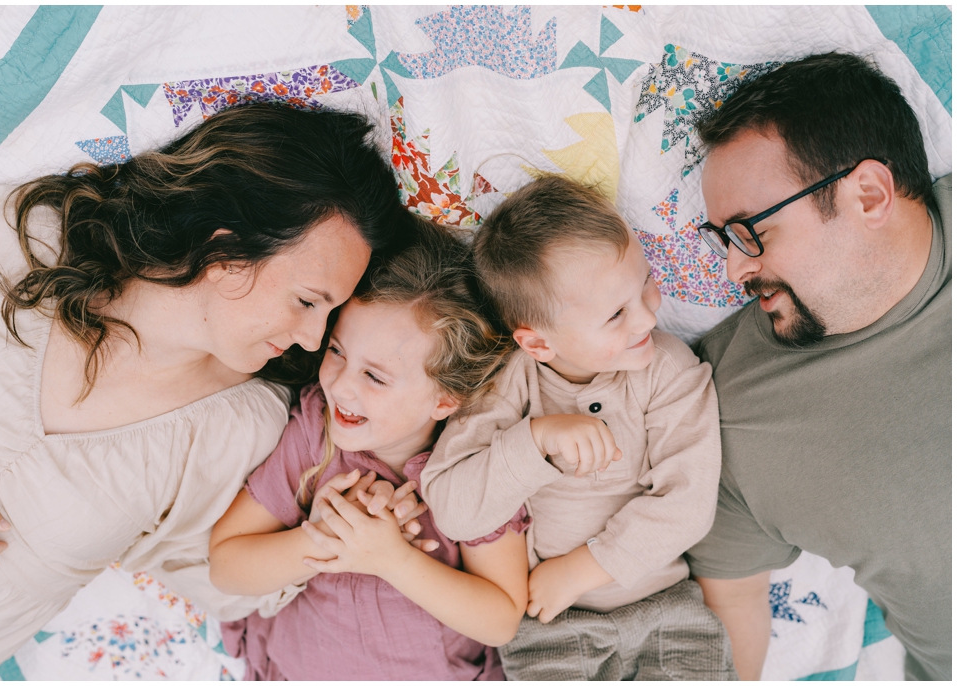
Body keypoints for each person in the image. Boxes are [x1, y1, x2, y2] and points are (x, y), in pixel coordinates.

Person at [0, 101, 416, 680]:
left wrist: (337, 533)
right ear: (226, 247)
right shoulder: (42, 243)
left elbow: (216, 575)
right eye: (308, 300)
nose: (314, 337)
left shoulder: (240, 424)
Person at [683, 52, 951, 681]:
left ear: (867, 194)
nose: (733, 269)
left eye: (749, 231)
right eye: (723, 239)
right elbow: (733, 616)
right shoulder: (728, 401)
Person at [421, 175, 735, 680]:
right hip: (553, 629)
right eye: (616, 314)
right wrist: (534, 440)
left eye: (646, 284)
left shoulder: (668, 371)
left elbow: (688, 503)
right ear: (539, 344)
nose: (647, 318)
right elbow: (455, 510)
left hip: (665, 610)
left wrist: (581, 569)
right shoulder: (508, 386)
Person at [212, 221, 530, 680]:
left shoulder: (475, 465)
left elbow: (499, 619)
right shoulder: (316, 435)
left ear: (445, 399)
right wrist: (324, 535)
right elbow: (226, 567)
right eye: (337, 350)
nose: (340, 385)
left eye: (375, 377)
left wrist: (390, 558)